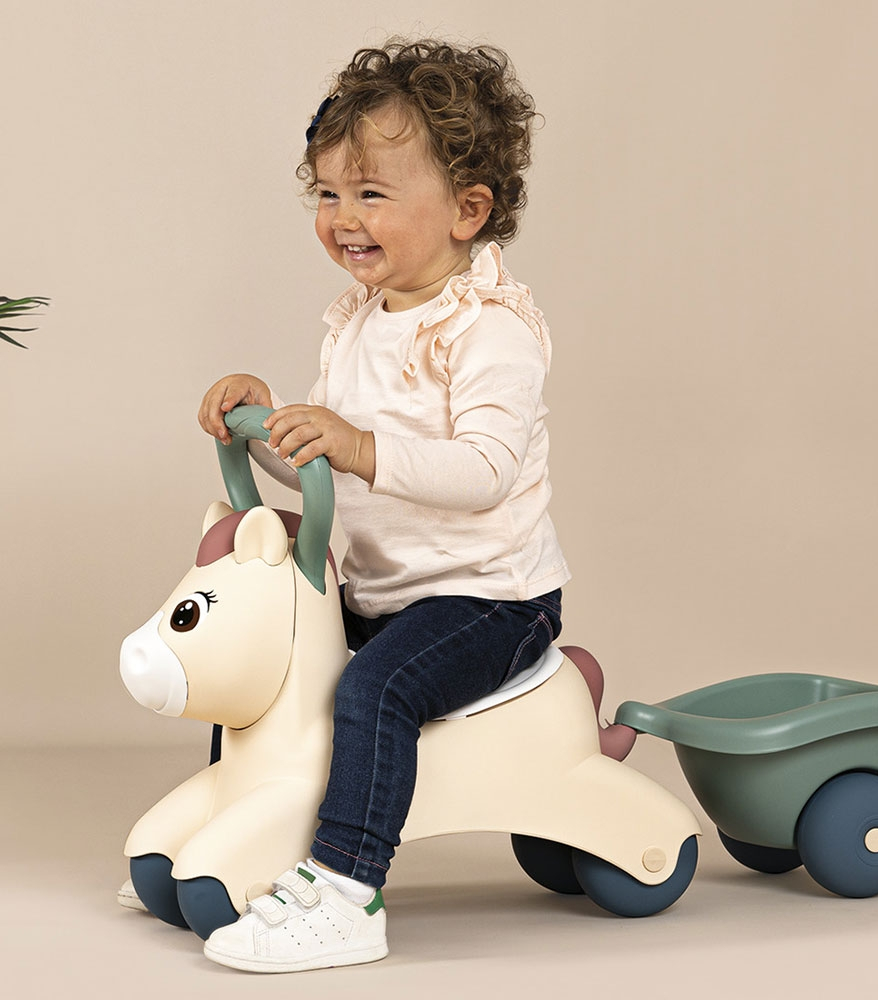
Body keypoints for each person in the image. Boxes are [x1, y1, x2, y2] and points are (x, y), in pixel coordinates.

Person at [195, 40, 570, 973]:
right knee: (268, 666)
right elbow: (332, 472)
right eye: (327, 193)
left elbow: (484, 470)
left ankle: (345, 889)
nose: (343, 218)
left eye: (370, 193)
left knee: (374, 690)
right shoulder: (362, 317)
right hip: (382, 593)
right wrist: (267, 429)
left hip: (487, 600)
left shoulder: (489, 331)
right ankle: (229, 831)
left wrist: (357, 444)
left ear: (467, 210)